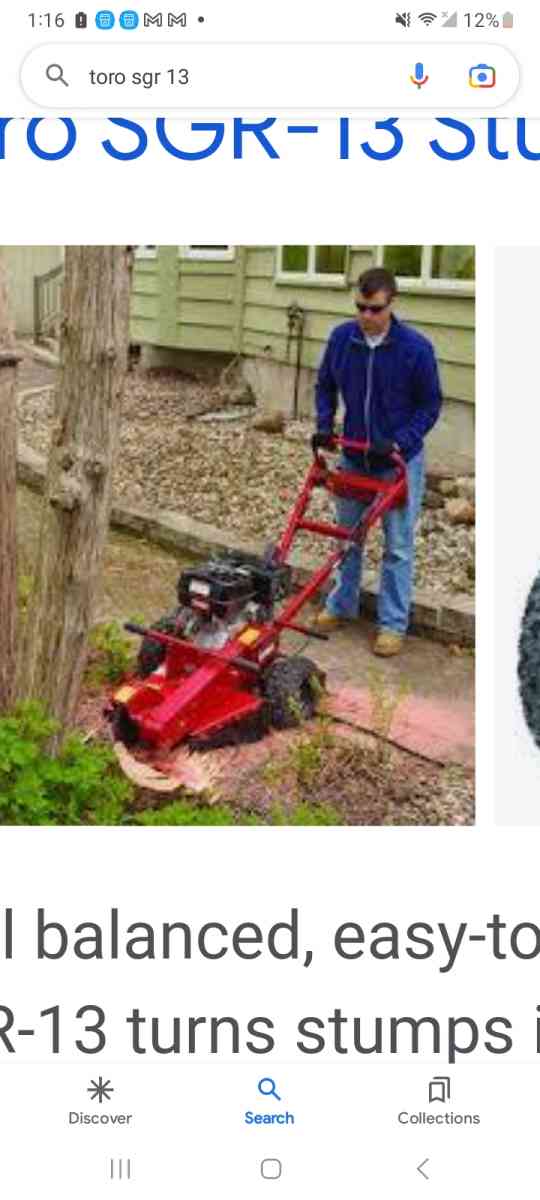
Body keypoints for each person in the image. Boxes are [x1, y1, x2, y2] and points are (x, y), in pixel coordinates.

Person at [313, 266, 442, 656]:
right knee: (347, 536)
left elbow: (430, 405)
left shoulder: (415, 349)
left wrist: (400, 441)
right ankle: (341, 605)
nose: (366, 316)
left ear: (392, 304)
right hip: (354, 455)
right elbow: (325, 385)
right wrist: (324, 426)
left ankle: (392, 624)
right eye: (360, 308)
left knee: (398, 546)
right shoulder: (342, 339)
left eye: (375, 309)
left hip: (397, 462)